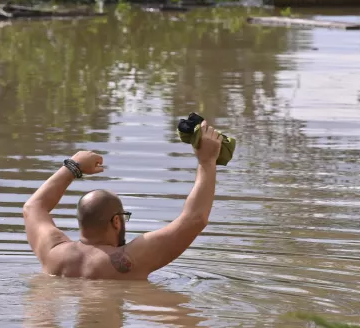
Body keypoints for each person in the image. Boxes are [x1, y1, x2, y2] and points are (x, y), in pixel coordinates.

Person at [22, 120, 223, 280]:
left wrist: (72, 167)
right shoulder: (130, 259)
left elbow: (33, 207)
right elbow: (195, 219)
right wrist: (207, 161)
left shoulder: (52, 252)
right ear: (116, 221)